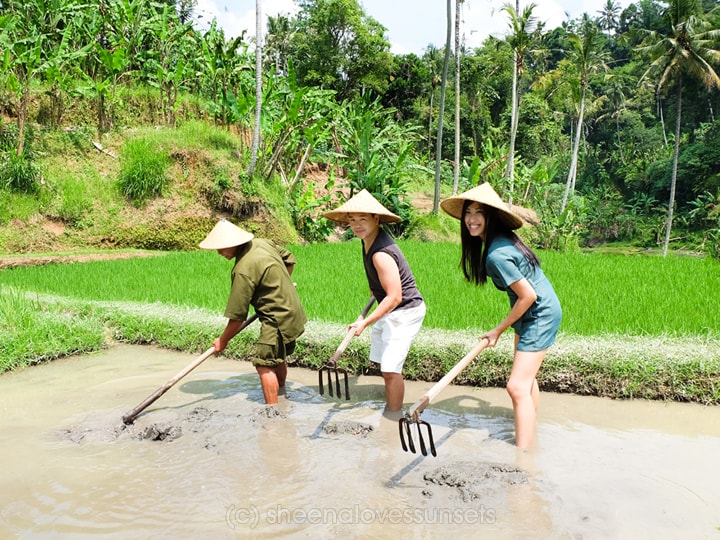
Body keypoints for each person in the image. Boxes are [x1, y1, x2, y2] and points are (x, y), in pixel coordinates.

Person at [440, 183, 562, 448]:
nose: (471, 219)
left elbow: (528, 296)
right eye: (468, 212)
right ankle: (529, 430)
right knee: (526, 382)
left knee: (516, 387)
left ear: (491, 217)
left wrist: (498, 330)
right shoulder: (499, 243)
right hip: (535, 312)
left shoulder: (496, 254)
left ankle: (523, 455)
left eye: (479, 213)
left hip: (538, 314)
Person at [324, 190, 426, 412]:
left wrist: (364, 323)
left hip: (404, 311)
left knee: (390, 369)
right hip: (391, 307)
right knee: (384, 363)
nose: (357, 225)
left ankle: (392, 418)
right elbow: (384, 285)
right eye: (352, 220)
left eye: (363, 219)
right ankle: (390, 401)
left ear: (376, 219)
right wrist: (376, 288)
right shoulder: (368, 239)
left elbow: (396, 296)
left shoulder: (381, 252)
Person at [199, 219, 307, 405]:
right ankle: (281, 394)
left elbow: (237, 316)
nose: (219, 252)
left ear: (234, 243)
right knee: (276, 356)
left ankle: (273, 415)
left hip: (276, 319)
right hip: (293, 309)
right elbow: (290, 259)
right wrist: (281, 284)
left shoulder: (242, 270)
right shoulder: (263, 243)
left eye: (222, 247)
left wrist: (222, 341)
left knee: (263, 363)